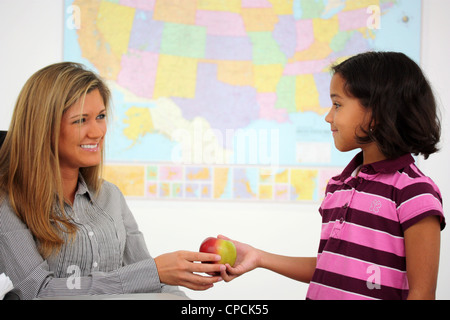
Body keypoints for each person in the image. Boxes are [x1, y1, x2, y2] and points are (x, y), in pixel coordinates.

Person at [219, 52, 446, 300]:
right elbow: (330, 266)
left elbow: (422, 293)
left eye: (337, 104)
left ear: (377, 112)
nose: (328, 117)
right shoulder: (338, 186)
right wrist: (260, 257)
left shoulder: (414, 192)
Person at [0, 62, 224, 300]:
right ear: (43, 127)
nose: (97, 132)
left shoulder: (110, 196)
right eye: (80, 120)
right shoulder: (9, 202)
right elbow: (38, 291)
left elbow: (153, 280)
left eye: (100, 116)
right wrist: (153, 272)